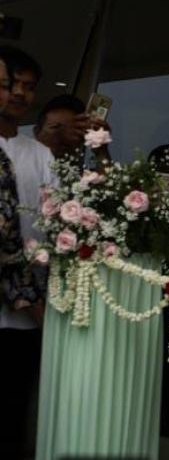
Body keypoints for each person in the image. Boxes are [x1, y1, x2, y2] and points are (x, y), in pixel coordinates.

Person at [0, 46, 55, 460]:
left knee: (13, 417)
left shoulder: (40, 154)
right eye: (11, 84)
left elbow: (54, 229)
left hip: (25, 314)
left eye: (28, 87)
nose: (19, 94)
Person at [34, 93, 111, 164]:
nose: (64, 135)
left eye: (73, 129)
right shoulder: (24, 162)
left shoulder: (84, 175)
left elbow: (107, 177)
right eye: (56, 127)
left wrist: (101, 151)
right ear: (37, 132)